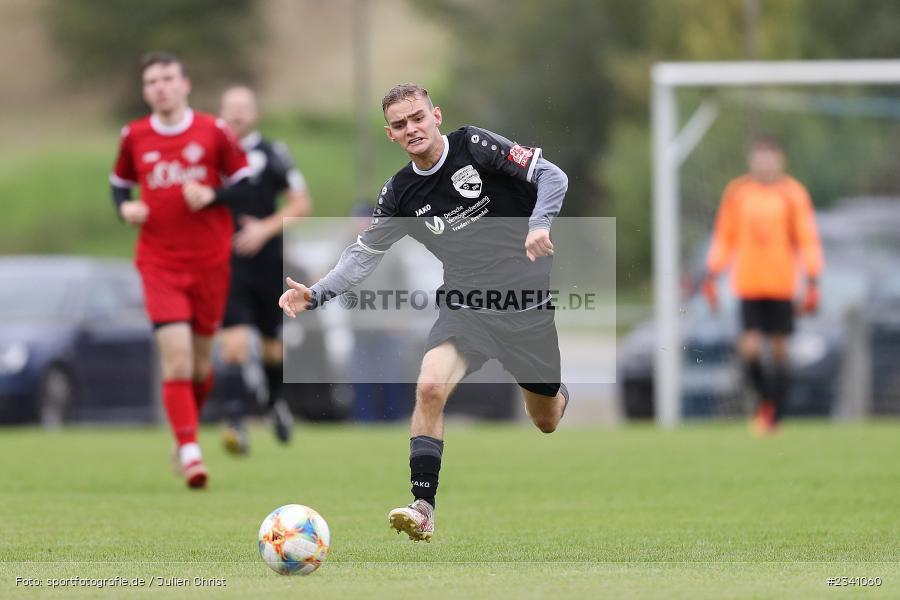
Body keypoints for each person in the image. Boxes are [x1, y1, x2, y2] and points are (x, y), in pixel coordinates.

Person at [279, 83, 570, 541]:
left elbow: (553, 176)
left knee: (546, 419)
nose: (411, 128)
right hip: (465, 306)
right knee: (430, 387)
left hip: (524, 304)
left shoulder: (475, 145)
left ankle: (556, 392)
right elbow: (362, 256)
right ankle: (423, 506)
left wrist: (538, 225)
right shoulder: (399, 194)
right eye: (399, 124)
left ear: (436, 115)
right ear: (390, 134)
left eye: (417, 118)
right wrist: (316, 293)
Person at [110, 52, 251, 488]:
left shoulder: (214, 131)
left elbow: (245, 182)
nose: (161, 87)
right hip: (159, 262)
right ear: (145, 90)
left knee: (199, 366)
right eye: (152, 81)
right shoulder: (134, 135)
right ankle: (190, 450)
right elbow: (119, 184)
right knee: (176, 359)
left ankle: (182, 433)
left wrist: (211, 194)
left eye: (168, 78)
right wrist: (125, 208)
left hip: (210, 262)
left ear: (185, 84)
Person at [702, 136, 824, 435]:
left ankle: (775, 412)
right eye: (759, 157)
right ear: (751, 160)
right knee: (750, 348)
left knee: (780, 350)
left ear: (780, 160)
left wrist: (812, 280)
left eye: (770, 157)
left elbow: (806, 238)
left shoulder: (792, 193)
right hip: (749, 286)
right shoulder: (738, 193)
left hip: (781, 285)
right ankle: (765, 406)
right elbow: (725, 237)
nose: (764, 163)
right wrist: (712, 274)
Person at [214, 85, 312, 454]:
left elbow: (301, 203)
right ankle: (236, 423)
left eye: (244, 108)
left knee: (273, 348)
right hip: (228, 265)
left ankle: (274, 404)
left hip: (270, 262)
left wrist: (264, 228)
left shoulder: (274, 153)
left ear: (255, 113)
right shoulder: (211, 156)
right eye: (230, 108)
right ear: (221, 113)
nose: (237, 114)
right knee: (235, 347)